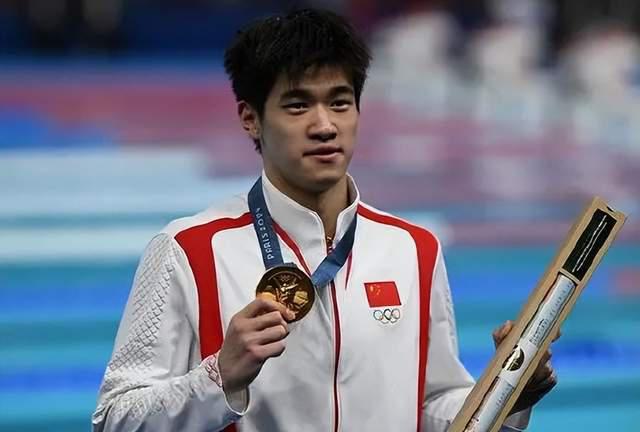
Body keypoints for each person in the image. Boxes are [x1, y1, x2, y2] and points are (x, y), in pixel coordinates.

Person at [92, 8, 557, 432]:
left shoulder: (413, 248)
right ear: (250, 118)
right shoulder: (189, 249)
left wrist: (510, 394)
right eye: (298, 105)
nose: (324, 126)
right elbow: (114, 418)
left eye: (340, 102)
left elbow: (431, 405)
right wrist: (219, 376)